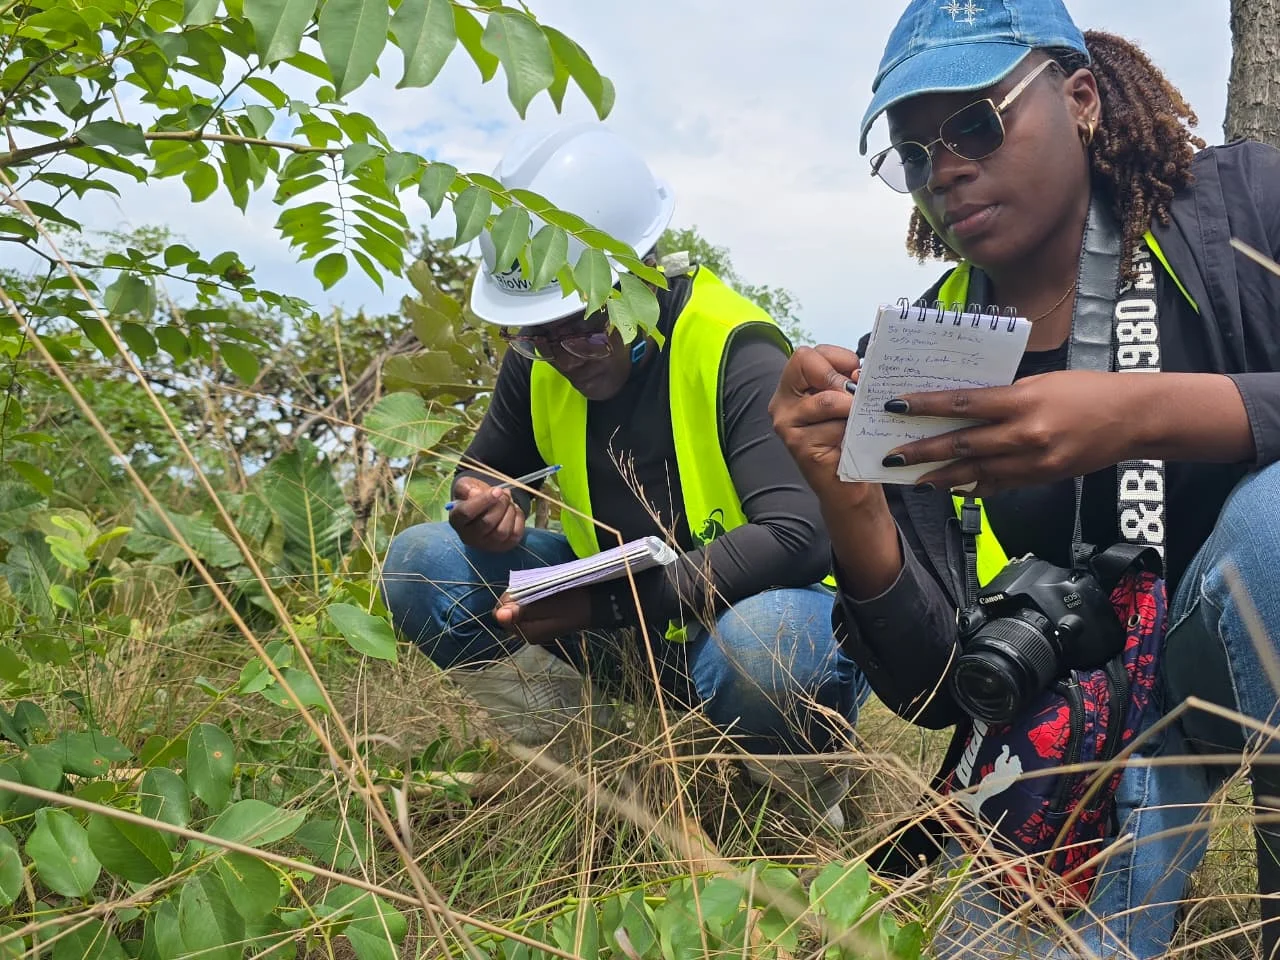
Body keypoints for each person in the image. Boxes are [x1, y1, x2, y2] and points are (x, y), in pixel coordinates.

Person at [770, 0, 1280, 955]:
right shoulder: (923, 353)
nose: (946, 169)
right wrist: (849, 492)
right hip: (1094, 700)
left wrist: (1138, 412)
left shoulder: (1240, 207)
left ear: (1080, 97)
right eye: (914, 154)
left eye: (975, 122)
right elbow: (931, 693)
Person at [382, 123, 869, 827]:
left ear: (637, 274)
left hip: (749, 629)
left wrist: (609, 606)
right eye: (538, 333)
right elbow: (482, 470)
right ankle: (602, 769)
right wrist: (478, 506)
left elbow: (799, 536)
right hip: (627, 636)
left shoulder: (735, 346)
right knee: (422, 562)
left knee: (769, 647)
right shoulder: (541, 360)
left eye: (582, 324)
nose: (565, 353)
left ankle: (798, 803)